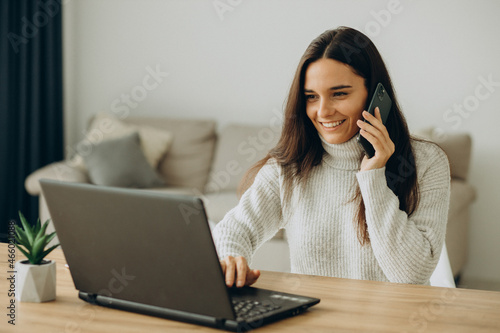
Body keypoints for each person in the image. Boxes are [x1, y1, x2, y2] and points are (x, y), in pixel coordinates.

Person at [212, 26, 450, 288]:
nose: (323, 111)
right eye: (311, 97)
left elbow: (411, 275)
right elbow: (233, 230)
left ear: (373, 94)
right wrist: (230, 259)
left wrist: (373, 177)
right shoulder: (289, 167)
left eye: (339, 93)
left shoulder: (428, 162)